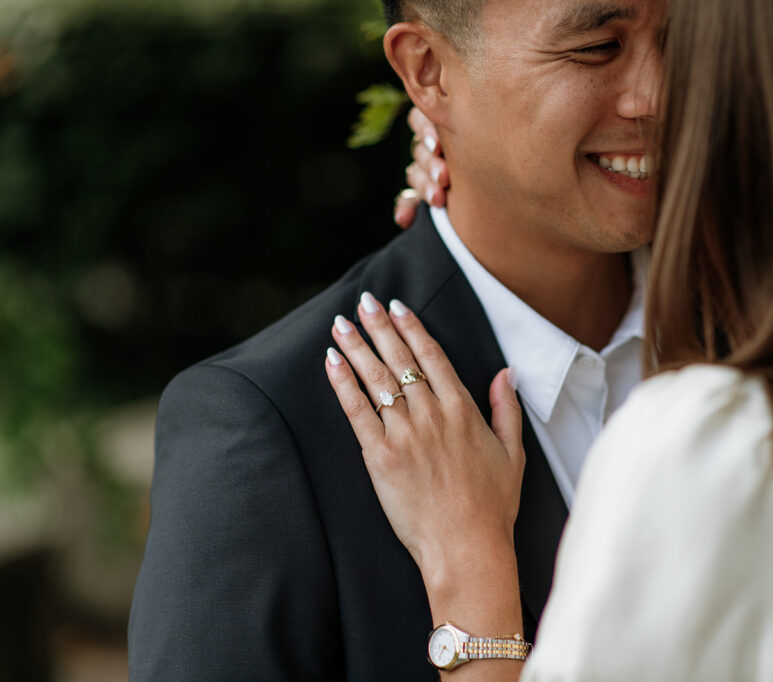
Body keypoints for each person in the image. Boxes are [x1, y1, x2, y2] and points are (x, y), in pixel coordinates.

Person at [324, 0, 773, 679]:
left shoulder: (717, 454)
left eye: (699, 50)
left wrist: (471, 582)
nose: (664, 96)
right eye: (599, 48)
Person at [128, 0, 664, 679]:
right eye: (597, 48)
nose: (659, 94)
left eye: (685, 40)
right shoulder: (267, 425)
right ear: (429, 70)